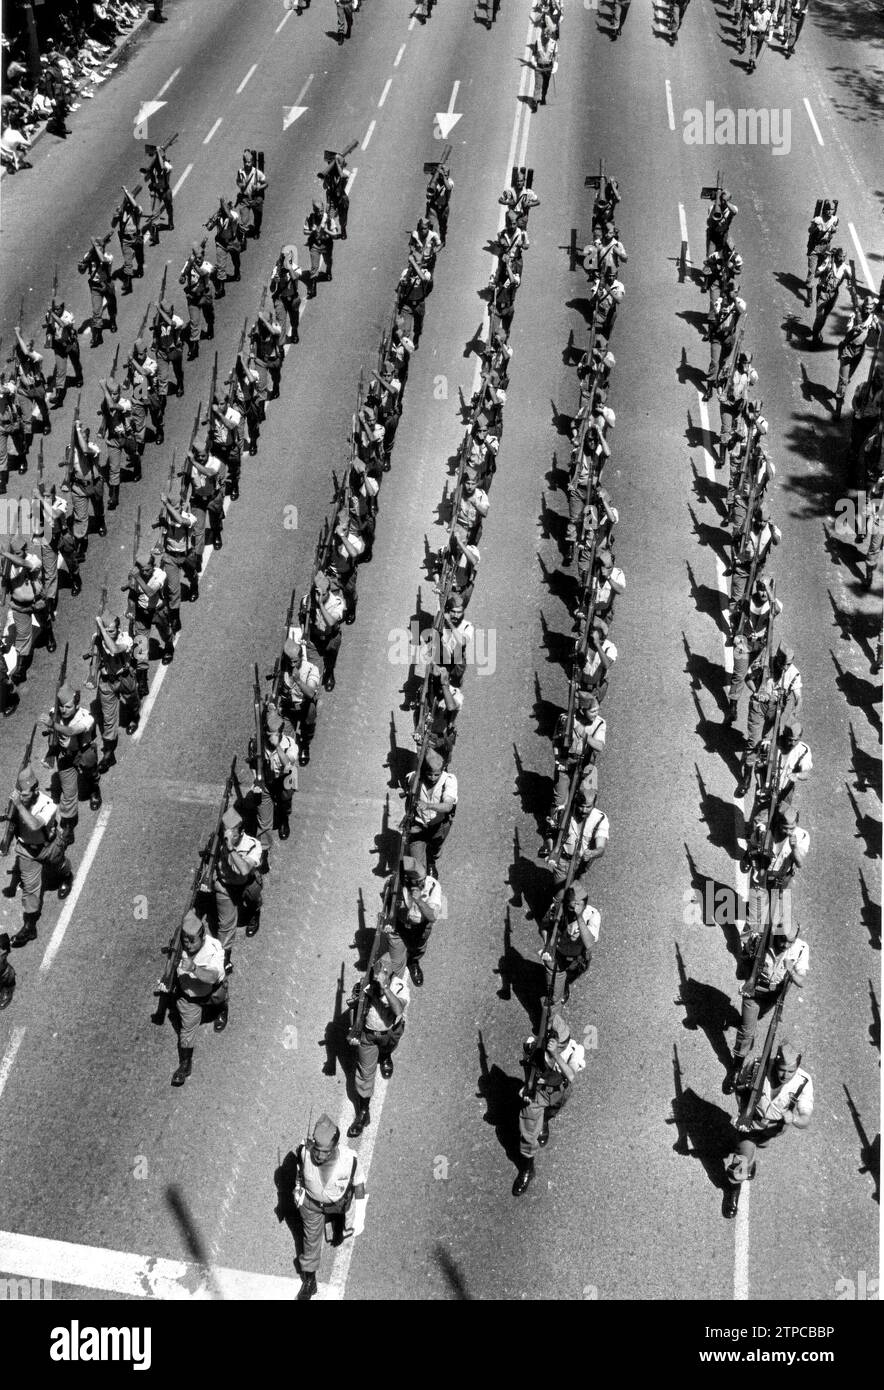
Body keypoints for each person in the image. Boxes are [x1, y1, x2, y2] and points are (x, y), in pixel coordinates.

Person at [723, 1040, 813, 1217]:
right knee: (742, 1157)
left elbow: (805, 1120)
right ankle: (733, 1192)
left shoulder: (804, 1081)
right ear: (776, 1061)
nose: (785, 1075)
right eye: (782, 1069)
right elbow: (740, 1088)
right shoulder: (758, 1066)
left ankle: (750, 1158)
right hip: (752, 1123)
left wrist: (793, 1118)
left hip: (775, 1127)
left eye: (790, 1071)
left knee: (761, 1146)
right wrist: (742, 1115)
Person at [724, 920, 808, 1093]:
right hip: (754, 992)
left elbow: (801, 981)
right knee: (746, 1031)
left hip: (773, 996)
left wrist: (790, 970)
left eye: (790, 941)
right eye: (782, 939)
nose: (785, 945)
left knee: (756, 1020)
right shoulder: (760, 940)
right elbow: (744, 959)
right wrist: (748, 978)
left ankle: (747, 1030)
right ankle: (736, 1068)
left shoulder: (800, 949)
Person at [292, 1114, 367, 1301]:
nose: (318, 1155)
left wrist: (359, 1217)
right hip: (311, 1206)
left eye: (325, 1151)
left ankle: (339, 1225)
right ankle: (310, 1281)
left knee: (343, 1226)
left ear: (335, 1146)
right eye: (316, 1149)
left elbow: (359, 1185)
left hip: (338, 1204)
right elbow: (299, 1173)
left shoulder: (350, 1159)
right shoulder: (303, 1152)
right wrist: (298, 1188)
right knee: (310, 1241)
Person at [3, 764, 73, 949]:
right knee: (30, 889)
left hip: (48, 847)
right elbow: (12, 824)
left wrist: (18, 805)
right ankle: (30, 927)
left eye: (24, 794)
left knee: (60, 866)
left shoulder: (47, 803)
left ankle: (67, 876)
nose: (21, 797)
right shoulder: (18, 801)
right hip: (26, 850)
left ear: (35, 790)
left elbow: (34, 825)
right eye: (20, 794)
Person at [513, 1014, 585, 1194]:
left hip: (559, 1090)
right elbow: (529, 1068)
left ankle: (545, 1120)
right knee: (528, 1133)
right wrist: (527, 1087)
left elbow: (570, 1076)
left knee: (552, 1110)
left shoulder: (575, 1051)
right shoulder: (534, 1045)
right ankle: (527, 1168)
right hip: (538, 1092)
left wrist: (554, 1055)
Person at [348, 952, 409, 1137]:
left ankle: (385, 1056)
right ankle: (363, 1113)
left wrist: (384, 988)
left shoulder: (398, 986)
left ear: (389, 975)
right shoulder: (364, 983)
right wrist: (353, 1029)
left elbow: (398, 1009)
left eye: (381, 975)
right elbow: (356, 1009)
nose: (377, 978)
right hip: (368, 1035)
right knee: (365, 1074)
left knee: (388, 1048)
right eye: (375, 974)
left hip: (389, 1032)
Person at [171, 911, 229, 1086]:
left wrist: (194, 968)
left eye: (192, 940)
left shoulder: (214, 948)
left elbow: (213, 977)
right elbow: (170, 962)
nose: (187, 945)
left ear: (202, 936)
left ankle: (222, 1009)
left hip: (211, 991)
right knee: (187, 1030)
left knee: (220, 998)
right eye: (185, 940)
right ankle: (185, 1064)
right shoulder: (180, 944)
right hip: (189, 997)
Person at [386, 855, 442, 986]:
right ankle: (396, 986)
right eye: (418, 881)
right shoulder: (396, 884)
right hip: (399, 928)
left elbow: (433, 917)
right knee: (395, 963)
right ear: (407, 880)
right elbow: (389, 903)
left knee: (417, 949)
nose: (423, 883)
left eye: (423, 879)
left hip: (420, 928)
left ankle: (413, 962)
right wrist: (389, 920)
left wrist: (419, 901)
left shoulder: (433, 886)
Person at [540, 886, 600, 1006]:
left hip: (578, 957)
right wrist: (548, 945)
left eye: (578, 907)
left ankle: (565, 984)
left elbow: (589, 943)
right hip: (558, 954)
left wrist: (579, 918)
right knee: (555, 982)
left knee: (570, 976)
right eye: (571, 907)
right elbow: (544, 927)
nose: (574, 910)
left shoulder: (592, 915)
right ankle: (558, 991)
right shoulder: (556, 910)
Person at [405, 748, 457, 874]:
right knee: (417, 867)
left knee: (435, 849)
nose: (433, 778)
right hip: (418, 825)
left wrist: (428, 805)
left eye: (436, 774)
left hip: (439, 824)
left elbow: (448, 806)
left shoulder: (449, 780)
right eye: (429, 774)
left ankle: (432, 860)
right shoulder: (414, 778)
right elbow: (408, 793)